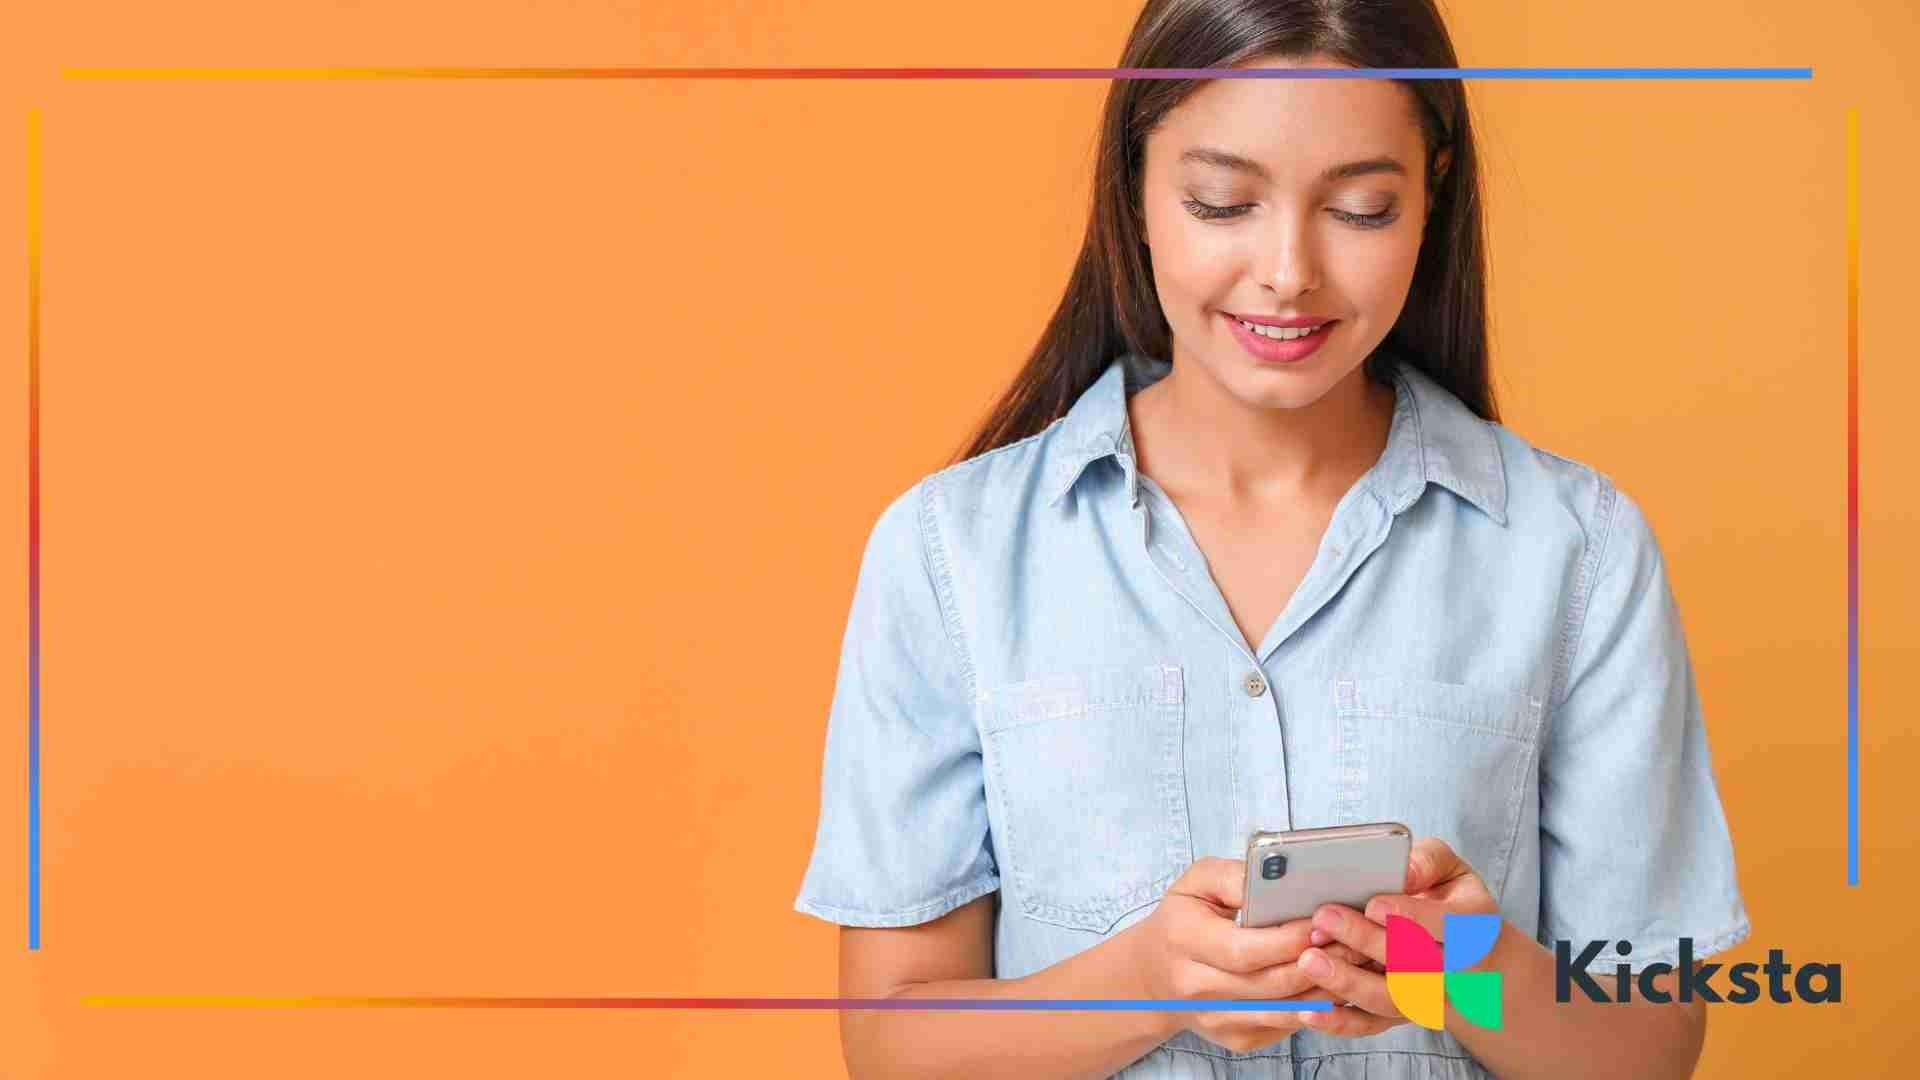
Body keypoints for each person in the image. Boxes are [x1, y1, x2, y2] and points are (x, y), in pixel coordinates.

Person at [792, 1, 1750, 1076]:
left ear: (1432, 196)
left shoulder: (1575, 552)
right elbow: (891, 1046)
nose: (1289, 270)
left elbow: (1648, 1049)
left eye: (1361, 209)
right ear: (1134, 191)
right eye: (1222, 202)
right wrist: (1145, 984)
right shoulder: (952, 555)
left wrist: (1460, 966)